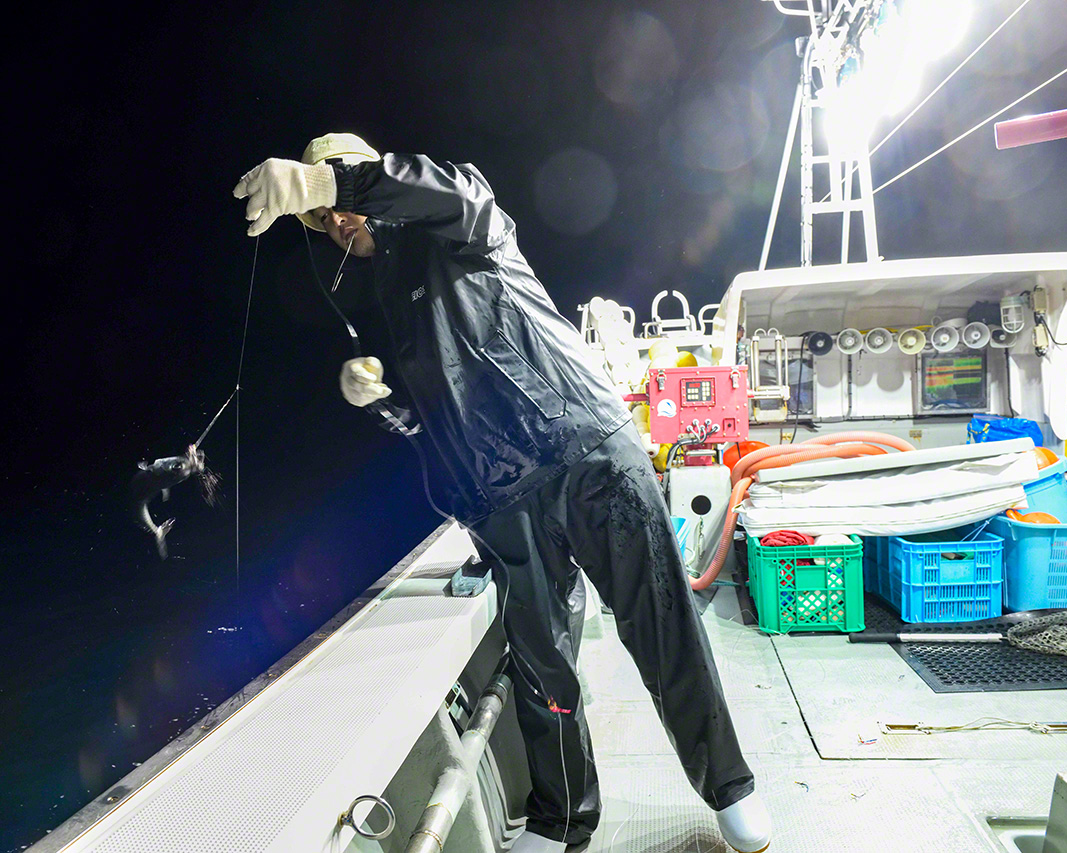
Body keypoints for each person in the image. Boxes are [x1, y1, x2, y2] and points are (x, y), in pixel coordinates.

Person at [233, 133, 771, 853]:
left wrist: (331, 184)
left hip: (586, 452)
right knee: (542, 667)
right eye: (321, 220)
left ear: (364, 183)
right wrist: (382, 406)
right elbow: (434, 425)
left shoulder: (456, 222)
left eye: (338, 203)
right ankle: (563, 819)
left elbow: (451, 191)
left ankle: (730, 790)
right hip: (505, 499)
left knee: (661, 626)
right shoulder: (387, 300)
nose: (336, 225)